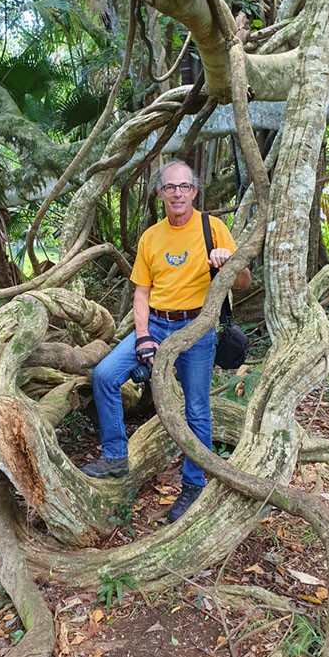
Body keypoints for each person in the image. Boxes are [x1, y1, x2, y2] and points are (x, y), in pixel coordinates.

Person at [83, 159, 251, 521]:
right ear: (159, 193)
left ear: (194, 191)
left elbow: (244, 283)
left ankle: (193, 485)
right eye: (169, 187)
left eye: (184, 187)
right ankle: (115, 456)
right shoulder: (152, 237)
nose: (177, 193)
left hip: (197, 328)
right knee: (105, 375)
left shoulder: (214, 228)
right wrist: (142, 336)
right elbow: (141, 293)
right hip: (157, 323)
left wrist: (230, 261)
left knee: (196, 410)